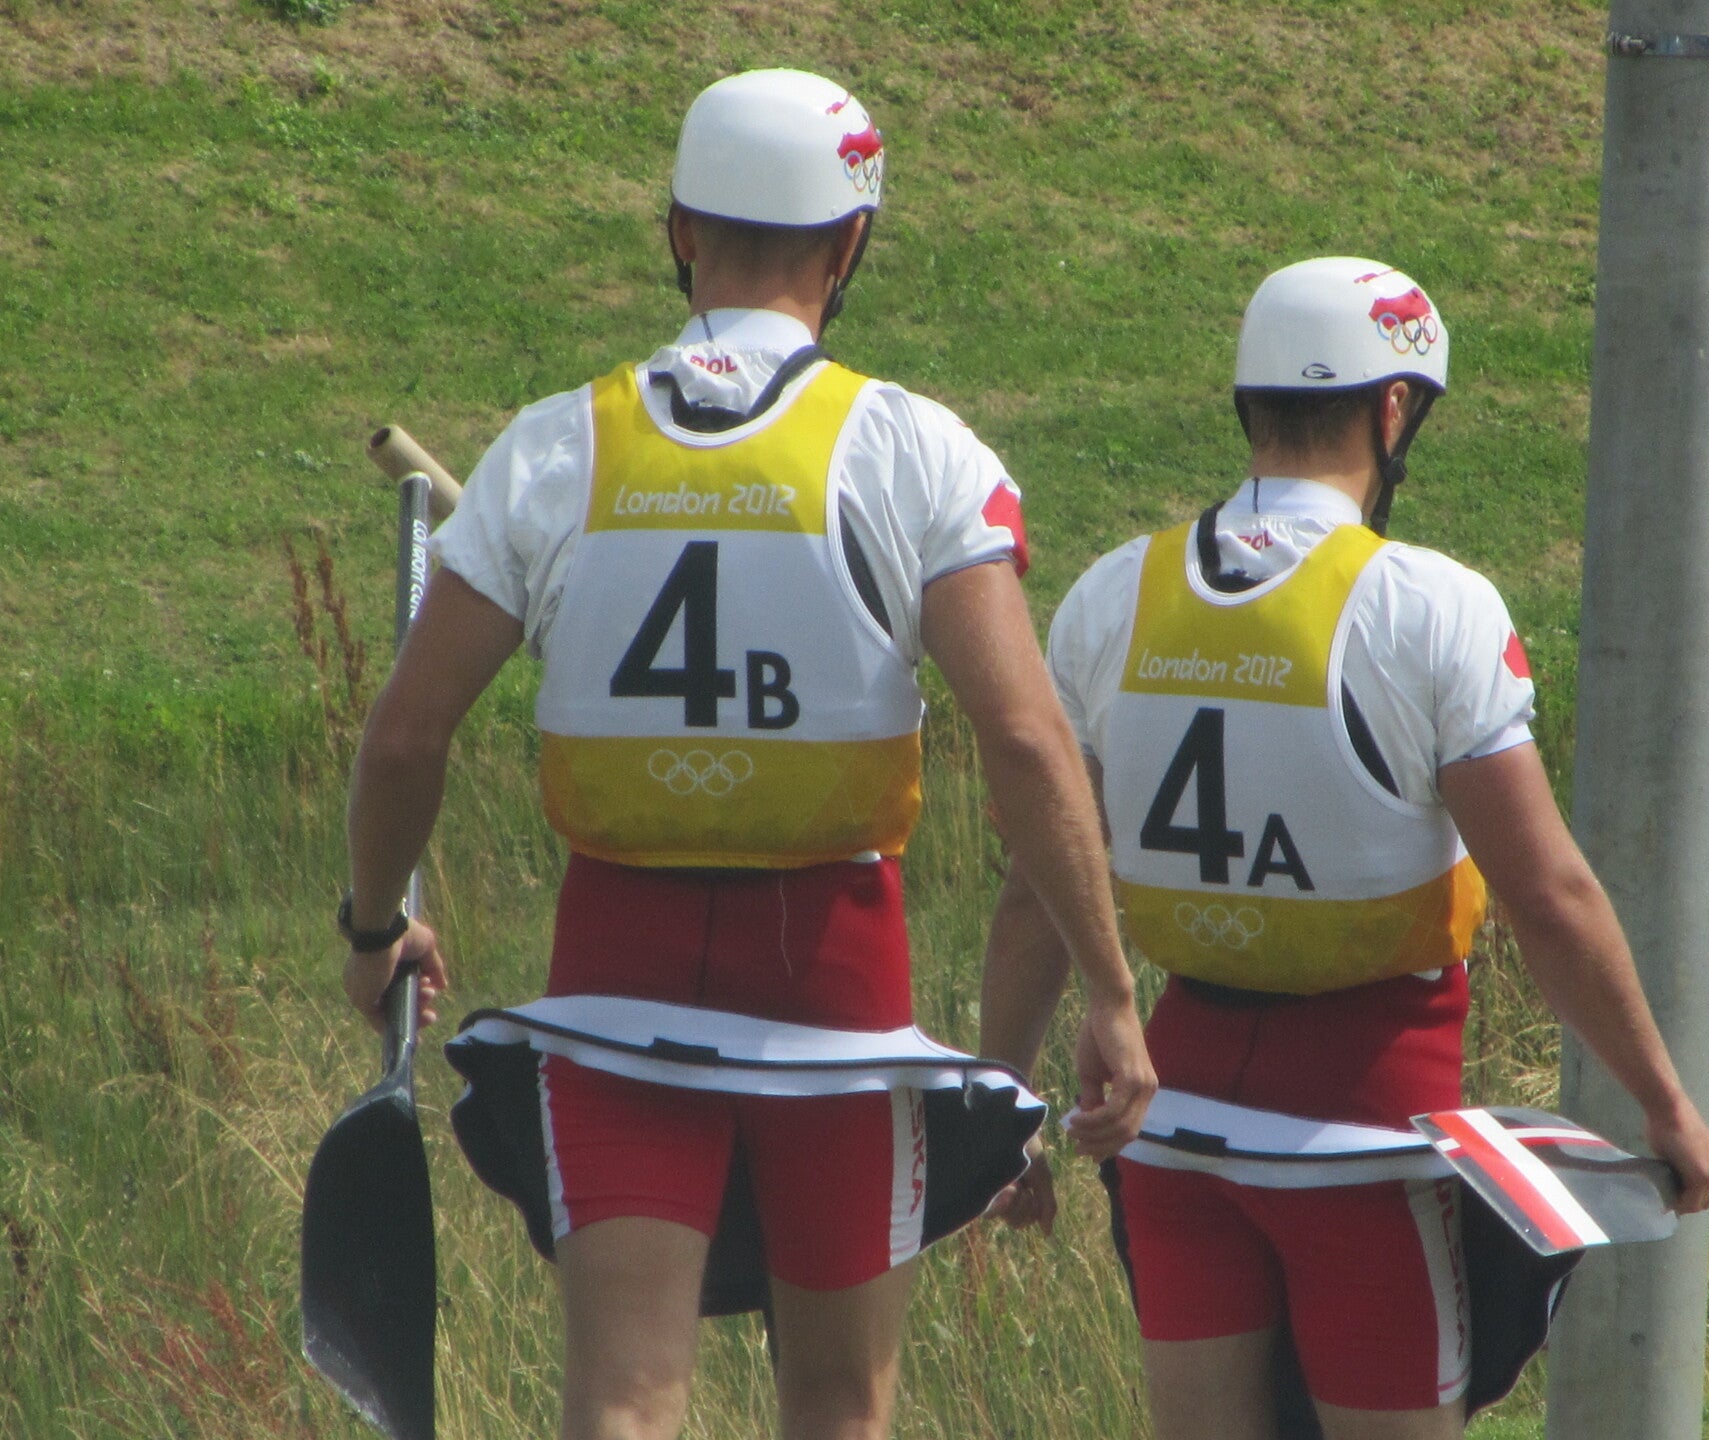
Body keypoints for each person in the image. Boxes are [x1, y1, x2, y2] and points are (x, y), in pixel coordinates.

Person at [336, 68, 1154, 1440]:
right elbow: (1022, 736)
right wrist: (1112, 991)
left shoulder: (555, 447)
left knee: (621, 1401)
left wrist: (375, 927)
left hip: (613, 986)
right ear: (851, 245)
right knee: (839, 1406)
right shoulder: (911, 450)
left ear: (678, 230)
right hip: (838, 996)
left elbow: (408, 733)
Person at [978, 256, 1709, 1440]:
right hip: (1369, 1150)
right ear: (1392, 410)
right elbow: (1548, 895)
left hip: (1176, 1134)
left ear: (1251, 403)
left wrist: (1004, 1106)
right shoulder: (1427, 606)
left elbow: (1036, 891)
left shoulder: (1112, 595)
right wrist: (1666, 1103)